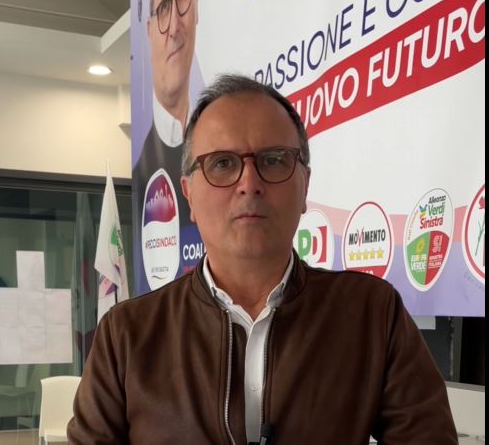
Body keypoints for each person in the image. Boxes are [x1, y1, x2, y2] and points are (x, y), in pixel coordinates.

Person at [68, 74, 458, 444]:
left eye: (273, 160)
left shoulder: (372, 314)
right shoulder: (126, 334)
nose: (249, 183)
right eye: (222, 163)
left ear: (305, 185)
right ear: (188, 195)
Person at [132, 0, 199, 294]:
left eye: (181, 0)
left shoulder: (223, 166)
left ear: (196, 9)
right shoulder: (141, 175)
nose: (173, 27)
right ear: (148, 30)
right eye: (162, 9)